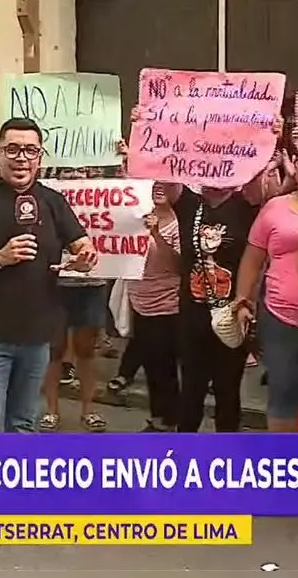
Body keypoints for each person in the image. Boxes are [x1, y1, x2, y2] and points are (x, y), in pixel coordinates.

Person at [0, 117, 98, 432]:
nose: (21, 157)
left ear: (40, 156)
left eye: (30, 150)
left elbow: (84, 247)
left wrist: (84, 258)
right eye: (12, 149)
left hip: (37, 337)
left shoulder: (52, 201)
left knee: (24, 423)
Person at [130, 106, 283, 433]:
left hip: (233, 316)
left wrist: (270, 136)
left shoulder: (246, 205)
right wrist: (148, 131)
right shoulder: (189, 205)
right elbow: (167, 174)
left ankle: (226, 459)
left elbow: (258, 171)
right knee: (191, 393)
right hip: (191, 318)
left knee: (228, 394)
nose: (216, 172)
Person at [235, 138, 298, 433]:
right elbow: (252, 259)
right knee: (282, 396)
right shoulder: (275, 208)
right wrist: (242, 300)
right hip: (280, 318)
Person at [40, 166, 111, 432]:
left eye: (85, 170)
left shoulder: (108, 190)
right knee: (54, 350)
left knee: (86, 352)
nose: (78, 174)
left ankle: (89, 411)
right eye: (71, 171)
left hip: (91, 284)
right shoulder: (49, 195)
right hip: (55, 284)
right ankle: (51, 410)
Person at [124, 182, 182, 431]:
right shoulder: (133, 217)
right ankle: (159, 417)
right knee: (150, 364)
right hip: (139, 302)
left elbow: (179, 266)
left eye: (165, 183)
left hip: (167, 304)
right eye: (153, 183)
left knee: (163, 366)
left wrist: (157, 233)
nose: (159, 187)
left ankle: (169, 421)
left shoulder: (179, 223)